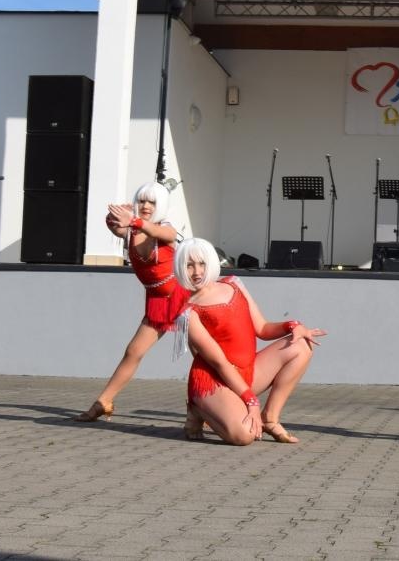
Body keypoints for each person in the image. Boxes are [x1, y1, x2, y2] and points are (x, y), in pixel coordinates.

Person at [175, 238, 325, 444]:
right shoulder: (187, 312)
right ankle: (198, 408)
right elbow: (219, 363)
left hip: (247, 371)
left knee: (301, 346)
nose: (197, 272)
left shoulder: (234, 284)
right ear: (180, 268)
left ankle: (269, 418)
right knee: (245, 436)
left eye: (201, 264)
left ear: (211, 262)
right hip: (213, 381)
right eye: (189, 265)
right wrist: (251, 401)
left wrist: (293, 326)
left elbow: (262, 328)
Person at [72, 182, 183, 422]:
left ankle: (206, 407)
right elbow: (116, 227)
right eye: (142, 201)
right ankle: (104, 402)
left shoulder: (163, 228)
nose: (145, 206)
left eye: (152, 202)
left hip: (183, 299)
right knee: (133, 351)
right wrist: (113, 217)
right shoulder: (132, 231)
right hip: (158, 301)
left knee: (207, 356)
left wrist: (134, 220)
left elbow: (169, 235)